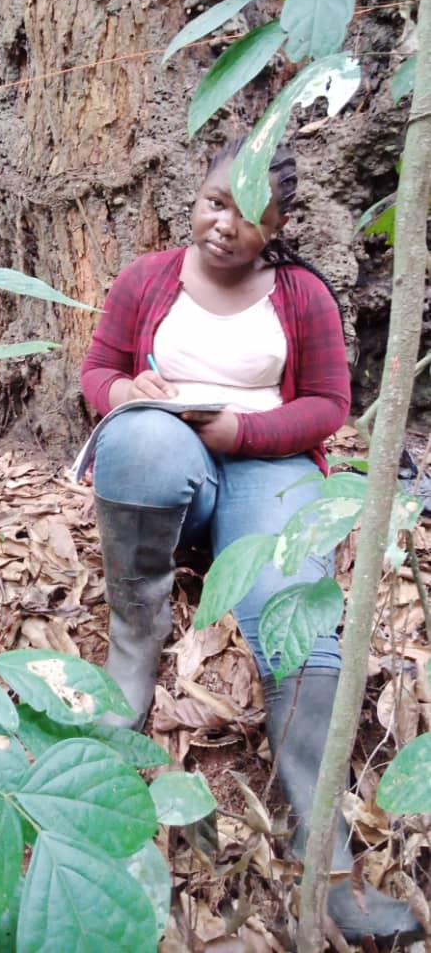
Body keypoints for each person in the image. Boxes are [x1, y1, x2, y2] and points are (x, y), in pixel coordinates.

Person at [80, 139, 420, 944]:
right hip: (172, 468)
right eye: (212, 202)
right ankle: (132, 650)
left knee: (289, 615)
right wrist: (128, 390)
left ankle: (326, 856)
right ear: (194, 200)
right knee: (134, 443)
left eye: (248, 212)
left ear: (280, 223)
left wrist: (241, 428)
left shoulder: (301, 294)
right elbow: (98, 371)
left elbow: (329, 404)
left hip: (267, 461)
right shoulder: (146, 279)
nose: (223, 224)